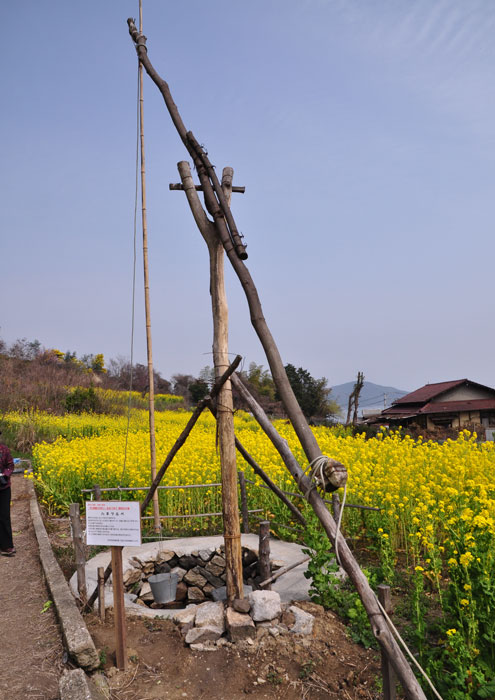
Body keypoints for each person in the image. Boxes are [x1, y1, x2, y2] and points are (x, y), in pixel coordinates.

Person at [0, 433, 15, 556]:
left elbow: (10, 465)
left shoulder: (4, 450)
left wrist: (5, 474)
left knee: (4, 516)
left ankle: (7, 546)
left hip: (3, 488)